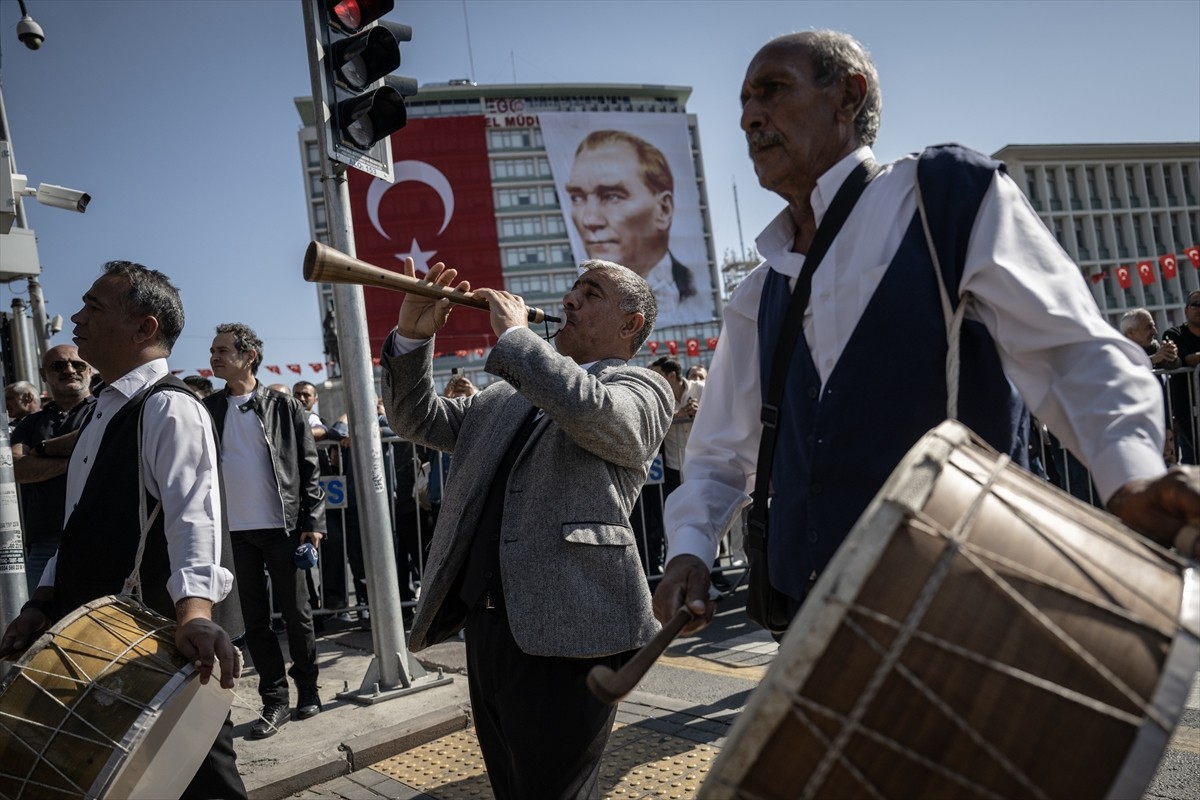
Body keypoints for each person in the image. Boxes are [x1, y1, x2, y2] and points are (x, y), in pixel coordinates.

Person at [655, 30, 1200, 637]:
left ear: (848, 97)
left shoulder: (945, 197)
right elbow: (718, 454)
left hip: (966, 606)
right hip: (810, 625)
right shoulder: (759, 292)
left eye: (773, 90)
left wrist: (1131, 474)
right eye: (744, 102)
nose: (750, 117)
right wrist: (690, 551)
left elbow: (1072, 351)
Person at [382, 255, 672, 799]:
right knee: (512, 787)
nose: (569, 301)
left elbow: (599, 416)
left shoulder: (644, 387)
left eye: (591, 293)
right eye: (573, 290)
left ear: (631, 324)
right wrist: (410, 338)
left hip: (573, 627)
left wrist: (517, 338)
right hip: (492, 627)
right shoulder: (504, 397)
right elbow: (415, 420)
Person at [0, 261, 246, 799]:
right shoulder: (102, 411)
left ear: (144, 328)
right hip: (97, 640)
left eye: (93, 306)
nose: (77, 319)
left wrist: (197, 617)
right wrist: (42, 601)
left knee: (204, 786)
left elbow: (194, 519)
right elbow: (78, 527)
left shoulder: (170, 408)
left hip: (158, 645)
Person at [204, 323, 326, 739]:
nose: (214, 357)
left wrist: (312, 522)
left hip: (282, 528)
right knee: (255, 623)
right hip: (234, 534)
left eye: (223, 350)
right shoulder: (208, 407)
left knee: (297, 616)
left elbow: (309, 466)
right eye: (212, 350)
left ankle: (308, 689)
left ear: (249, 355)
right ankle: (275, 702)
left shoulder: (283, 405)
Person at [565, 129, 711, 328]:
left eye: (612, 196)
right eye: (577, 197)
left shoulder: (695, 288)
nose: (589, 219)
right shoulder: (577, 309)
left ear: (663, 209)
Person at [9, 345, 96, 593]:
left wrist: (42, 450)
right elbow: (16, 468)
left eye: (77, 364)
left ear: (88, 370)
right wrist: (78, 460)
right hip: (44, 543)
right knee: (37, 623)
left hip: (99, 537)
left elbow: (97, 442)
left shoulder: (104, 411)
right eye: (58, 366)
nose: (69, 370)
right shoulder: (31, 422)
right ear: (43, 373)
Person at [1163, 289, 1200, 465]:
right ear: (1186, 310)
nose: (1199, 309)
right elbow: (1187, 359)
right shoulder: (1174, 334)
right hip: (1186, 412)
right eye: (1195, 305)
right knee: (1193, 462)